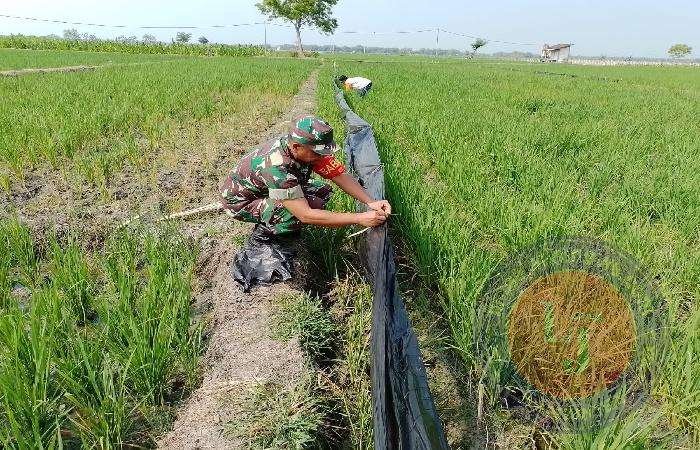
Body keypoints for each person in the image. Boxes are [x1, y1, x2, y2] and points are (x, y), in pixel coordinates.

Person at [220, 115, 391, 239]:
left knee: (322, 191)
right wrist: (359, 218)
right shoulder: (277, 167)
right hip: (243, 202)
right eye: (318, 153)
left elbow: (338, 175)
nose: (323, 157)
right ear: (296, 147)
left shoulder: (306, 147)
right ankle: (277, 235)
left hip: (265, 188)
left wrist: (370, 202)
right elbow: (306, 215)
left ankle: (280, 208)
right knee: (295, 214)